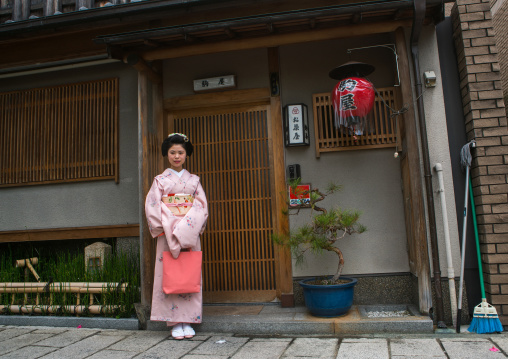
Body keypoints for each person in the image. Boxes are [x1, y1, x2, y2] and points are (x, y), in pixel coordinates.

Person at [145, 133, 208, 340]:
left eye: (181, 152)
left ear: (186, 155)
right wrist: (172, 225)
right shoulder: (160, 180)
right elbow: (153, 205)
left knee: (189, 274)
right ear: (167, 154)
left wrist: (184, 227)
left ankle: (188, 320)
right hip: (167, 232)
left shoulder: (194, 181)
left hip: (188, 234)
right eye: (172, 152)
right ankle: (173, 321)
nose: (177, 156)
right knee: (169, 274)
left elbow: (201, 207)